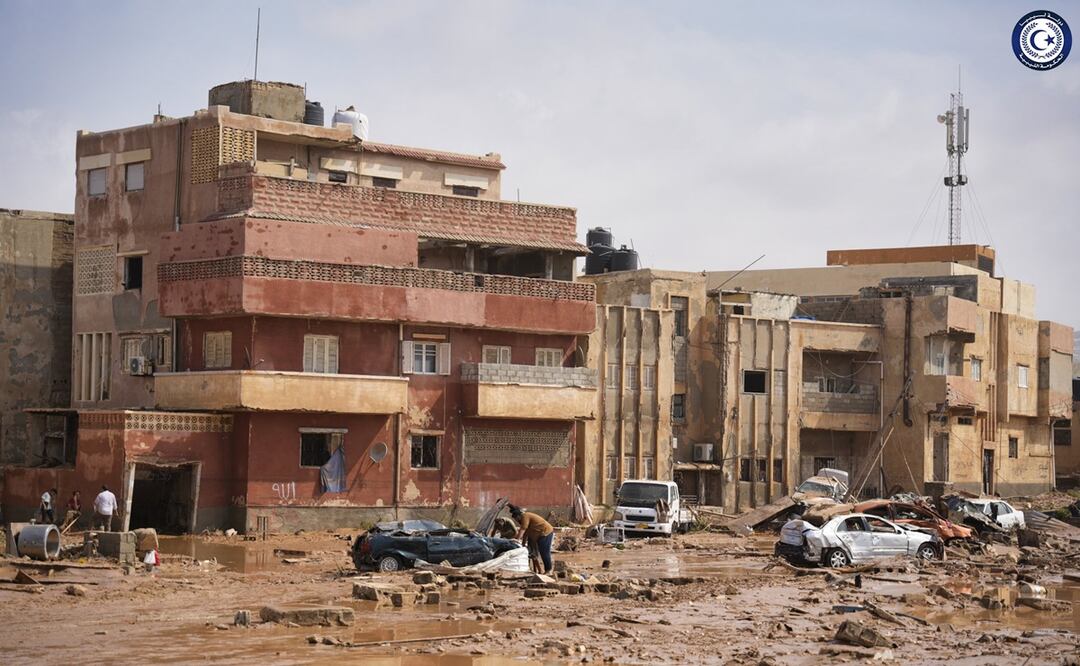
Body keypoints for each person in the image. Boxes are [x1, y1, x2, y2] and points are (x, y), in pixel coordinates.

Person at [510, 504, 554, 575]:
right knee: (532, 552)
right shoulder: (524, 519)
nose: (516, 520)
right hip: (535, 535)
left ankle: (548, 570)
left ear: (518, 516)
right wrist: (523, 544)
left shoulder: (525, 516)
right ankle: (536, 570)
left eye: (516, 518)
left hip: (545, 532)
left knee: (544, 552)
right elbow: (525, 533)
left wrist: (517, 539)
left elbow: (522, 530)